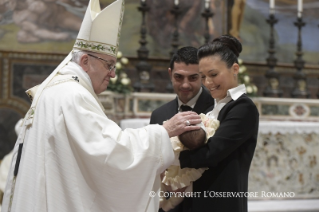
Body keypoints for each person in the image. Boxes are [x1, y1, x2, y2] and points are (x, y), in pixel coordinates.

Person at [1, 1, 202, 212]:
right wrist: (164, 131)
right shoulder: (72, 95)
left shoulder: (61, 88)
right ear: (86, 61)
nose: (113, 73)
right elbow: (111, 153)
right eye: (109, 65)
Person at [178, 35, 259, 212]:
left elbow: (211, 154)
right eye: (203, 77)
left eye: (213, 75)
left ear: (235, 69)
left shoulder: (243, 107)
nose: (208, 83)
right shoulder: (211, 106)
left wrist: (173, 158)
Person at [160, 114, 219, 212]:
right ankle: (169, 205)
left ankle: (159, 200)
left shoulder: (175, 143)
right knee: (181, 191)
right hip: (189, 172)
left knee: (162, 183)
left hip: (174, 170)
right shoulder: (206, 141)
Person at [150, 46, 214, 125]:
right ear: (170, 74)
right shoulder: (158, 115)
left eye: (193, 78)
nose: (185, 85)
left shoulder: (217, 109)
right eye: (178, 77)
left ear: (203, 76)